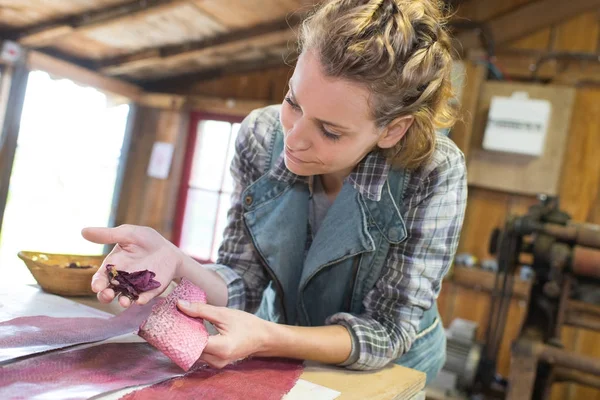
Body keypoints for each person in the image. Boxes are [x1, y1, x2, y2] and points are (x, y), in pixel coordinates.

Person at [82, 0, 467, 384]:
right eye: (292, 102)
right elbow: (242, 282)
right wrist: (177, 262)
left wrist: (267, 337)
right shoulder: (261, 136)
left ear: (392, 130)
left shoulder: (433, 172)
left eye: (330, 131)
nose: (293, 140)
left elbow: (386, 331)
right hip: (279, 347)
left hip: (388, 369)